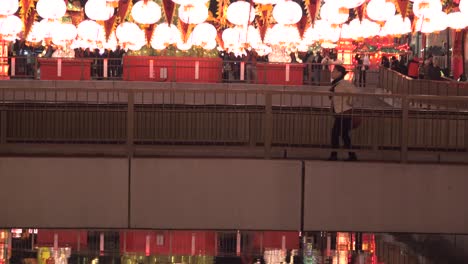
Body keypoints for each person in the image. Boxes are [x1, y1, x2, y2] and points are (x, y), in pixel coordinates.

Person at [328, 64, 357, 161]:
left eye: (334, 71)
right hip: (341, 112)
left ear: (339, 73)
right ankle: (351, 155)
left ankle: (334, 154)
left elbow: (355, 92)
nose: (332, 73)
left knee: (335, 133)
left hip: (343, 112)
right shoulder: (338, 83)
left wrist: (349, 102)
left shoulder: (344, 83)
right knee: (344, 135)